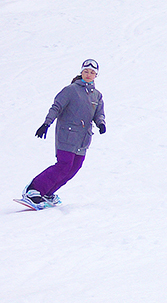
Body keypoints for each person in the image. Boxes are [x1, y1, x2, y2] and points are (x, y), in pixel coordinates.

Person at [21, 59, 106, 209]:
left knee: (74, 167)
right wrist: (46, 123)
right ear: (81, 72)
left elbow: (99, 113)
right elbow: (57, 107)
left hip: (83, 138)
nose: (88, 74)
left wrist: (101, 123)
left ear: (96, 75)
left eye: (92, 72)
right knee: (64, 164)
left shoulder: (97, 96)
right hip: (67, 134)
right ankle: (34, 190)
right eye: (86, 71)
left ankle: (48, 192)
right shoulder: (71, 90)